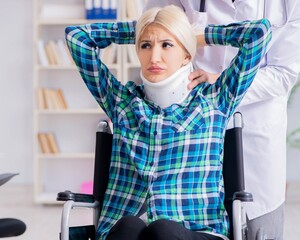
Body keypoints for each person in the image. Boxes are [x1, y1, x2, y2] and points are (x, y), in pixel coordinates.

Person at [65, 5, 271, 240]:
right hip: (124, 227)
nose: (154, 57)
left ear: (186, 54)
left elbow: (259, 33)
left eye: (167, 45)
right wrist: (145, 27)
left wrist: (195, 35)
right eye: (145, 46)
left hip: (197, 229)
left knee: (163, 230)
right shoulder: (121, 103)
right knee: (129, 227)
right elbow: (77, 37)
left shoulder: (215, 100)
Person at [144, 1, 300, 239]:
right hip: (192, 131)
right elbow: (153, 29)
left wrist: (222, 82)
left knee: (260, 229)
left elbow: (284, 73)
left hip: (256, 132)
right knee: (182, 229)